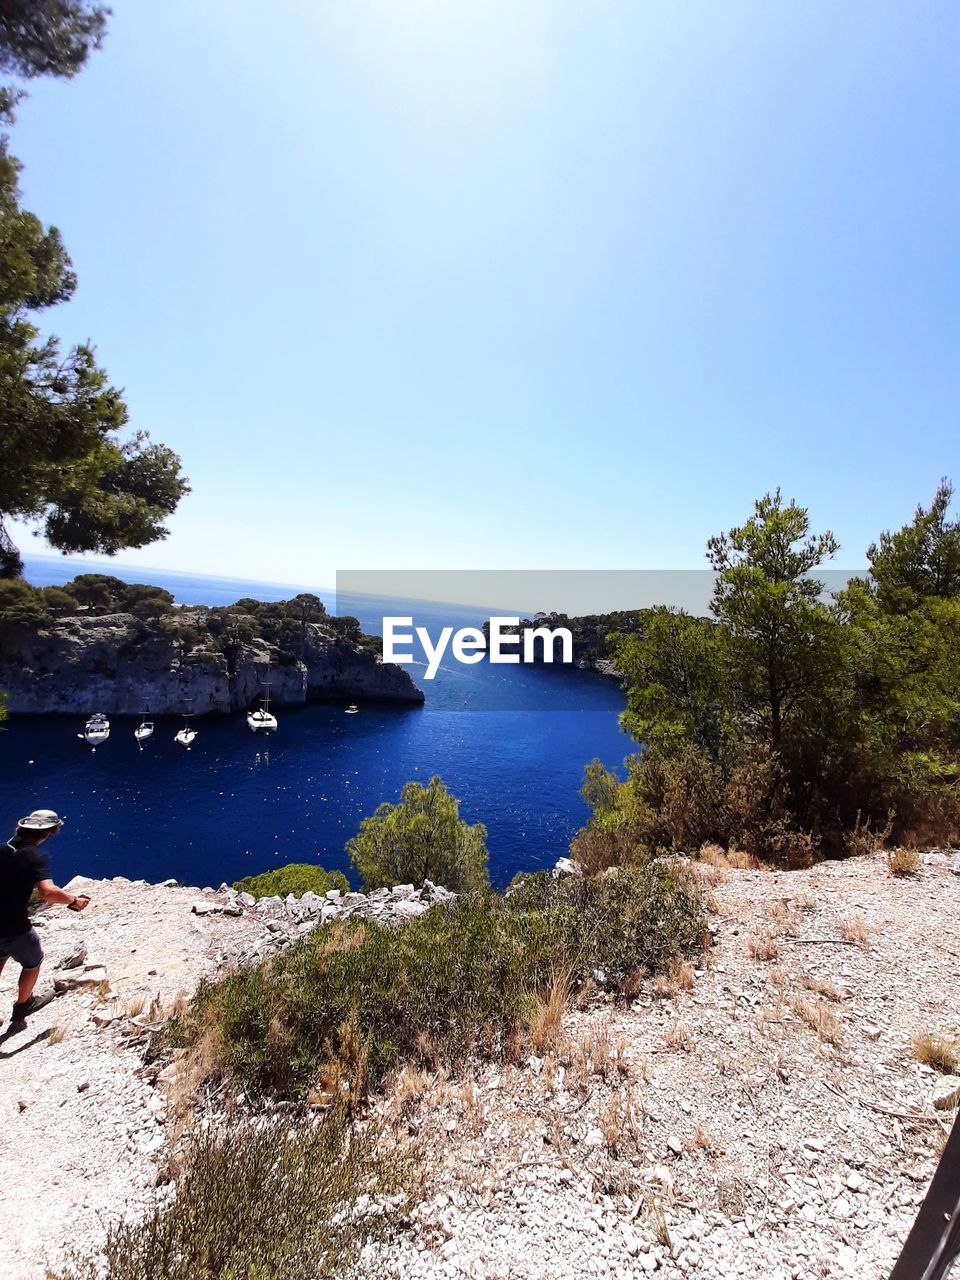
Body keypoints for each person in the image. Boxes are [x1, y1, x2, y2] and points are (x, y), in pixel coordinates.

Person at [0, 810, 90, 1033]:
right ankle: (23, 1006)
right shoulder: (36, 856)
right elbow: (47, 893)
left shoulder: (3, 849)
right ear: (48, 833)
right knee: (33, 961)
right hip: (15, 926)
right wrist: (74, 900)